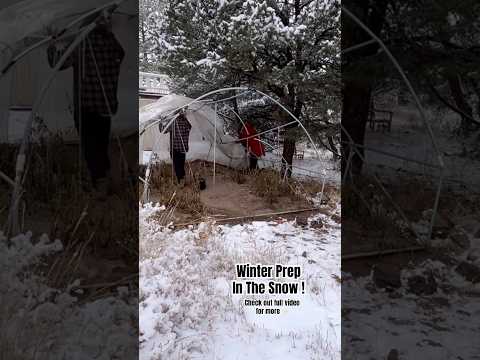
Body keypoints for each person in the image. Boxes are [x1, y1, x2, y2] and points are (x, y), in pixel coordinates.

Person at [47, 11, 124, 197]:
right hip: (106, 106)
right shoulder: (113, 45)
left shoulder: (82, 45)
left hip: (87, 106)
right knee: (101, 144)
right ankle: (107, 178)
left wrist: (52, 43)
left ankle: (100, 184)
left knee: (90, 147)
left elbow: (57, 62)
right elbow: (120, 56)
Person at [164, 111, 192, 187]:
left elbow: (164, 130)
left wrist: (161, 122)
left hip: (175, 148)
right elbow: (190, 127)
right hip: (183, 148)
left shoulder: (174, 122)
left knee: (177, 166)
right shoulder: (186, 122)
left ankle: (180, 182)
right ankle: (182, 178)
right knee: (181, 164)